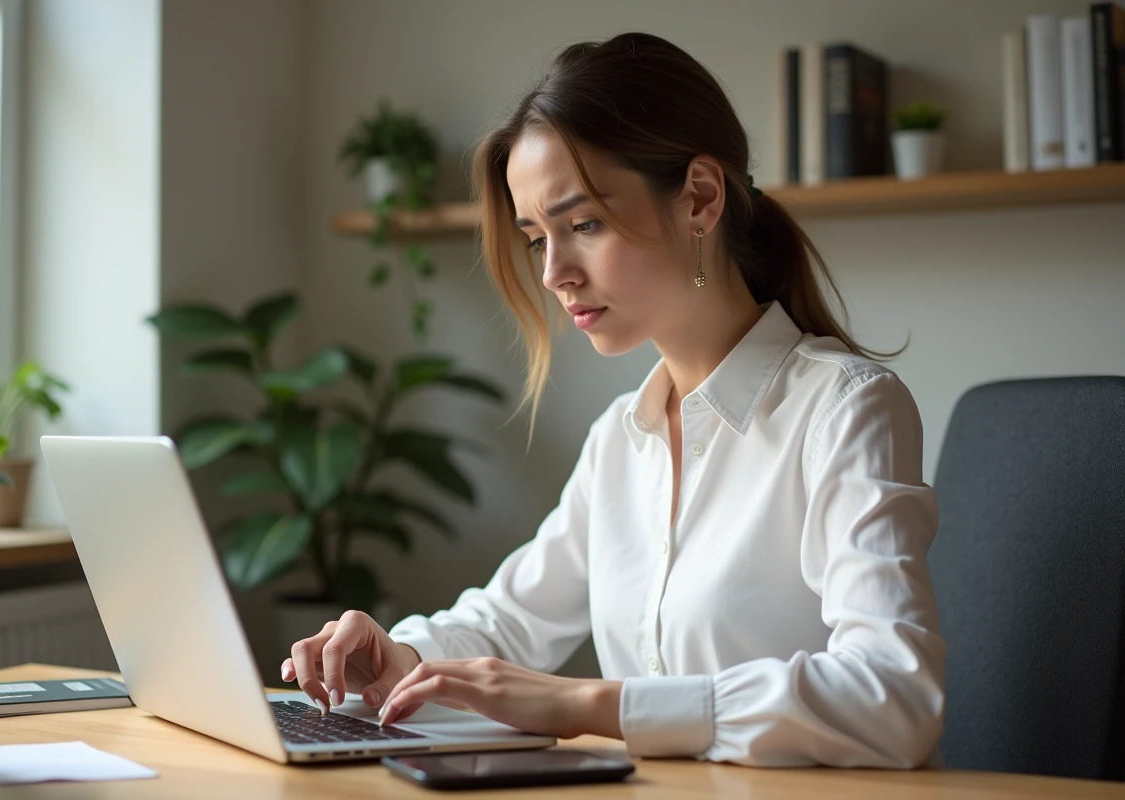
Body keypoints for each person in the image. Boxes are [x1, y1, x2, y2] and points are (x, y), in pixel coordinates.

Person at [281, 31, 945, 769]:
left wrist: (586, 704)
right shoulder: (620, 441)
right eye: (537, 238)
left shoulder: (845, 409)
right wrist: (396, 655)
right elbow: (507, 623)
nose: (555, 272)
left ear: (700, 198)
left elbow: (894, 696)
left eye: (584, 224)